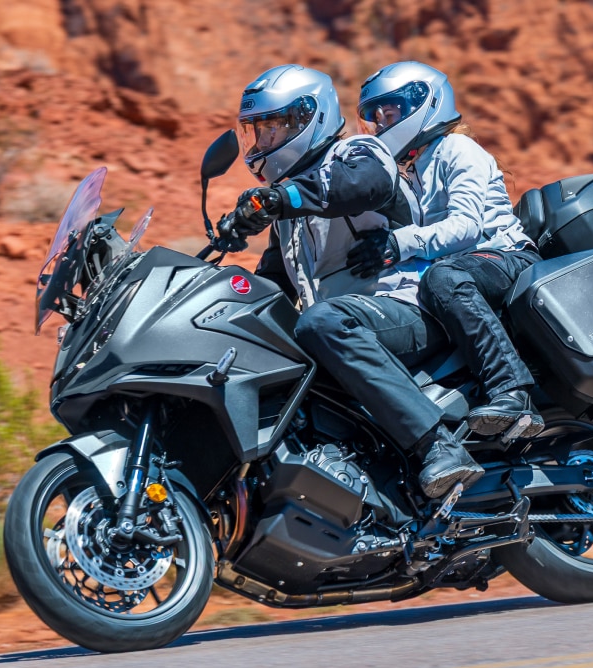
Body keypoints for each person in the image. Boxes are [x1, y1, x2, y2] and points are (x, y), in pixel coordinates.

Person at [213, 64, 483, 499]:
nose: (262, 143)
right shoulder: (289, 219)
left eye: (271, 129)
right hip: (352, 331)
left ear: (307, 119)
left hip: (407, 310)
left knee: (321, 322)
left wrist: (283, 199)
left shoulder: (358, 154)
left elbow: (364, 187)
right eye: (255, 131)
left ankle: (440, 446)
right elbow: (271, 289)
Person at [355, 61, 545, 439]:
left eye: (389, 114)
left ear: (424, 105)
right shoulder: (411, 168)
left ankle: (512, 389)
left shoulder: (457, 148)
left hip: (508, 257)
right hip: (466, 266)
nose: (382, 126)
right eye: (376, 118)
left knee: (443, 277)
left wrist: (398, 243)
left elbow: (465, 227)